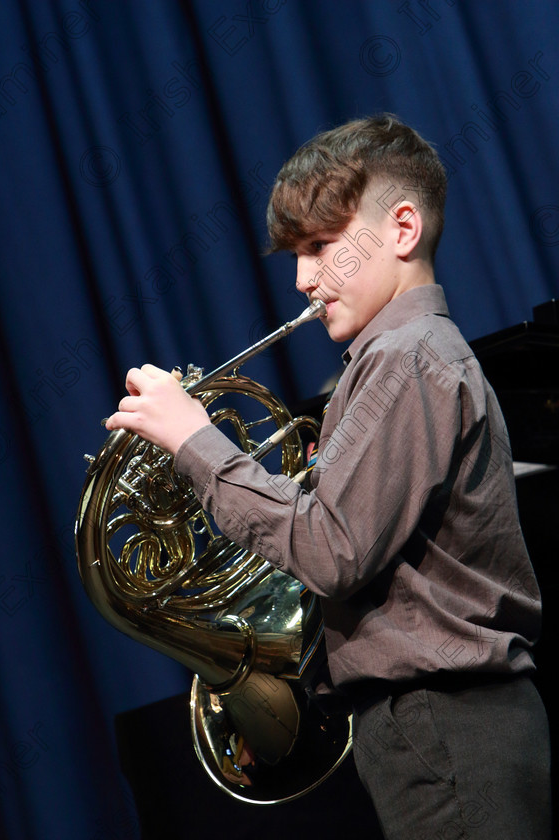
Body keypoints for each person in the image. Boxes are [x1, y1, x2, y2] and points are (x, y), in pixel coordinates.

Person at [105, 114, 552, 838]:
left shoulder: (407, 358)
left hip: (444, 720)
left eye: (320, 247)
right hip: (434, 724)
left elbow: (329, 549)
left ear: (402, 230)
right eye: (296, 255)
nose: (303, 280)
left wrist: (195, 438)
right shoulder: (400, 359)